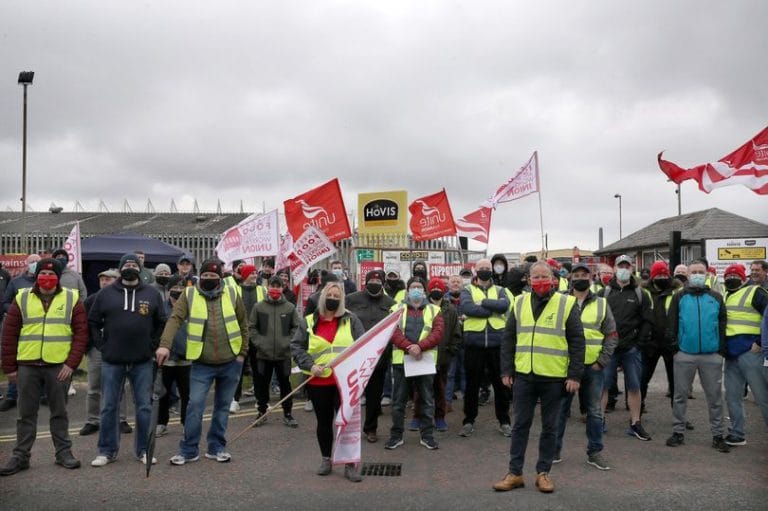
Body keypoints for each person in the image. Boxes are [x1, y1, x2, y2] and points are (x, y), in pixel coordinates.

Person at [494, 261, 585, 493]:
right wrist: (506, 370)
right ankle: (515, 473)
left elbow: (577, 342)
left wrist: (574, 375)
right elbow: (508, 339)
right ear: (528, 279)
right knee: (520, 425)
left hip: (554, 377)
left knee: (550, 427)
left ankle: (543, 473)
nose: (541, 281)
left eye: (545, 276)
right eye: (536, 277)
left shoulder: (566, 303)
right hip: (524, 375)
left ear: (554, 279)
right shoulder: (519, 301)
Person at [0, 258, 88, 476]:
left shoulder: (71, 298)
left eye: (51, 275)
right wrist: (10, 367)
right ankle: (20, 456)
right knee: (25, 414)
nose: (46, 278)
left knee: (59, 412)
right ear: (36, 276)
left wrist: (71, 364)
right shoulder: (21, 298)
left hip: (58, 367)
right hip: (27, 366)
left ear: (59, 278)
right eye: (42, 274)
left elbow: (81, 334)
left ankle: (63, 453)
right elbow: (9, 335)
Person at [156, 259, 249, 465]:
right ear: (200, 276)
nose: (209, 280)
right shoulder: (188, 295)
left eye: (213, 277)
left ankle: (216, 447)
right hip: (201, 364)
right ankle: (189, 450)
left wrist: (242, 354)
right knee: (195, 406)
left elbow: (244, 324)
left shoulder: (232, 293)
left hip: (231, 362)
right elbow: (174, 320)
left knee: (223, 407)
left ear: (220, 279)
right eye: (205, 276)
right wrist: (165, 345)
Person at [88, 253, 167, 467]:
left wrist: (153, 345)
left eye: (134, 264)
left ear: (140, 269)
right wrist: (101, 346)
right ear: (120, 269)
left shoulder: (151, 293)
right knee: (108, 407)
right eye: (126, 264)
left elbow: (161, 321)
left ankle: (142, 450)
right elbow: (93, 321)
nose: (130, 267)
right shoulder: (105, 294)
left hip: (142, 361)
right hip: (112, 360)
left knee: (143, 407)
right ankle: (107, 451)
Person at [291, 281, 365, 482]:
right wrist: (310, 365)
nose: (333, 299)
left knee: (347, 424)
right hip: (319, 382)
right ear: (322, 297)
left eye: (337, 296)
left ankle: (350, 464)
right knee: (324, 423)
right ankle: (326, 458)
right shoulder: (308, 321)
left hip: (346, 383)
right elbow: (297, 347)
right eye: (329, 295)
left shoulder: (352, 320)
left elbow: (363, 345)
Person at [554, 263, 617, 470]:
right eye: (576, 275)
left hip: (592, 367)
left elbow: (611, 335)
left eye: (584, 275)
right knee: (560, 411)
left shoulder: (601, 303)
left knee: (594, 411)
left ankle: (595, 452)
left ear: (591, 278)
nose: (580, 278)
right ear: (571, 278)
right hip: (566, 366)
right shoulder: (560, 301)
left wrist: (602, 361)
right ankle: (553, 451)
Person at [664, 260, 730, 453]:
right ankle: (678, 432)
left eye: (701, 271)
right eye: (694, 272)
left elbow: (723, 322)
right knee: (680, 396)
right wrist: (676, 348)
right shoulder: (679, 297)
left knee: (715, 398)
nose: (698, 275)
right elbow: (672, 323)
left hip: (711, 355)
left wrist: (720, 349)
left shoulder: (716, 297)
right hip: (685, 354)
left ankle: (718, 435)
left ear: (707, 273)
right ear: (689, 275)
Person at [385, 276, 444, 450]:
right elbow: (392, 332)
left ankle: (427, 435)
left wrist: (419, 347)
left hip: (424, 361)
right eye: (413, 287)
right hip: (401, 361)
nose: (416, 289)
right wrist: (409, 347)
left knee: (426, 399)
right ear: (407, 290)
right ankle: (396, 436)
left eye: (419, 287)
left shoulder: (434, 310)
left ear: (424, 290)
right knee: (398, 401)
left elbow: (438, 332)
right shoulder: (396, 308)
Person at [601, 255, 653, 441]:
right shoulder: (605, 293)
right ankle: (600, 421)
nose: (624, 269)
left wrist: (639, 343)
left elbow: (647, 321)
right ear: (614, 269)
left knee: (634, 386)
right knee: (603, 386)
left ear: (632, 269)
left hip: (631, 349)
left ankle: (635, 423)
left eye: (627, 266)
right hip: (609, 349)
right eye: (620, 266)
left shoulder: (640, 294)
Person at [458, 258, 511, 438]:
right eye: (481, 268)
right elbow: (467, 307)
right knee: (472, 385)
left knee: (501, 385)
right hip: (474, 344)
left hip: (497, 344)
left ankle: (504, 421)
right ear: (475, 270)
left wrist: (483, 303)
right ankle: (468, 421)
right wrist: (491, 309)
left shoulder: (500, 290)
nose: (484, 271)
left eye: (487, 268)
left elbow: (504, 306)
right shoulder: (467, 290)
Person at [79, 268, 132, 436]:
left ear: (117, 280)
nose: (104, 282)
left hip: (118, 348)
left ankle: (121, 419)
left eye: (108, 279)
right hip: (97, 349)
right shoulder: (91, 300)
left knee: (119, 386)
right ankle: (92, 420)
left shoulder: (125, 298)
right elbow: (84, 324)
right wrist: (88, 346)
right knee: (94, 386)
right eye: (102, 279)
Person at [345, 270, 396, 443]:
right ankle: (345, 426)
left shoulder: (391, 303)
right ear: (365, 282)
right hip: (355, 355)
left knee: (374, 396)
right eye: (371, 280)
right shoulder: (351, 299)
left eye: (377, 280)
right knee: (350, 394)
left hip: (378, 357)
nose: (374, 283)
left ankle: (371, 428)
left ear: (383, 283)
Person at [721, 263, 768, 446]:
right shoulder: (725, 295)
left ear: (743, 278)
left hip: (751, 353)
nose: (731, 278)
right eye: (728, 276)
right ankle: (736, 433)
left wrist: (759, 342)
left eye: (735, 275)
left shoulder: (756, 292)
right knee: (732, 396)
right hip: (731, 355)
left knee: (762, 397)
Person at [248, 276, 301, 427]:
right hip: (263, 355)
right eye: (273, 285)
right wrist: (260, 343)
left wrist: (287, 342)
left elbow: (296, 327)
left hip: (283, 355)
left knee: (285, 384)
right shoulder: (259, 307)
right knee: (262, 385)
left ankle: (288, 413)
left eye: (279, 286)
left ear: (283, 287)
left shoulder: (289, 308)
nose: (275, 289)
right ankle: (261, 412)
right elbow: (252, 327)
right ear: (268, 286)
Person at [411, 277, 461, 432]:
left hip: (443, 357)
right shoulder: (422, 307)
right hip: (424, 355)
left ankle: (440, 417)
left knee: (440, 389)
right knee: (420, 389)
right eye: (434, 288)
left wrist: (451, 350)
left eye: (440, 289)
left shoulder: (450, 309)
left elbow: (456, 333)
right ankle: (417, 417)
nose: (437, 291)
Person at [0, 254, 41, 412]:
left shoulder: (44, 281)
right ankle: (12, 395)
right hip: (19, 327)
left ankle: (41, 394)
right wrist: (17, 312)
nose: (35, 264)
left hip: (38, 328)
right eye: (32, 262)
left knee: (40, 360)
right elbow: (5, 302)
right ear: (26, 263)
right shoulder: (16, 282)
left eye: (37, 262)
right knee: (16, 358)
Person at [155, 276, 192, 438]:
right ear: (169, 290)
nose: (178, 291)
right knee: (163, 394)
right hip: (166, 361)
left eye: (181, 288)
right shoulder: (161, 308)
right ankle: (161, 423)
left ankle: (186, 423)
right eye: (174, 288)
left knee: (187, 395)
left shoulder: (193, 308)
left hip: (187, 360)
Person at [641, 261, 680, 407]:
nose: (662, 277)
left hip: (671, 343)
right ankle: (638, 410)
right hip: (650, 343)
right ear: (652, 277)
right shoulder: (644, 293)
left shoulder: (676, 292)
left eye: (664, 274)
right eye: (658, 275)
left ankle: (678, 415)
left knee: (675, 382)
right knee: (643, 379)